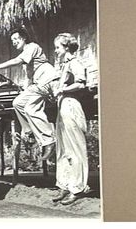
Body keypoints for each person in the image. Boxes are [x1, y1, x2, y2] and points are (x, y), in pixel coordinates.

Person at [0, 27, 59, 160]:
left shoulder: (32, 47)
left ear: (24, 38)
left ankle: (49, 140)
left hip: (47, 79)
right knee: (17, 103)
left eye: (16, 39)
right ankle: (29, 133)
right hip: (37, 84)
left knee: (31, 109)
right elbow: (28, 80)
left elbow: (17, 61)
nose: (14, 42)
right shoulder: (27, 58)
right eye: (12, 40)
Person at [52, 33, 90, 205]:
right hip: (62, 107)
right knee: (63, 148)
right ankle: (64, 185)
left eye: (58, 47)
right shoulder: (63, 66)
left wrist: (63, 90)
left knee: (75, 148)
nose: (55, 50)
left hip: (71, 105)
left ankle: (77, 187)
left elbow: (81, 83)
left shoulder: (75, 63)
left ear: (66, 47)